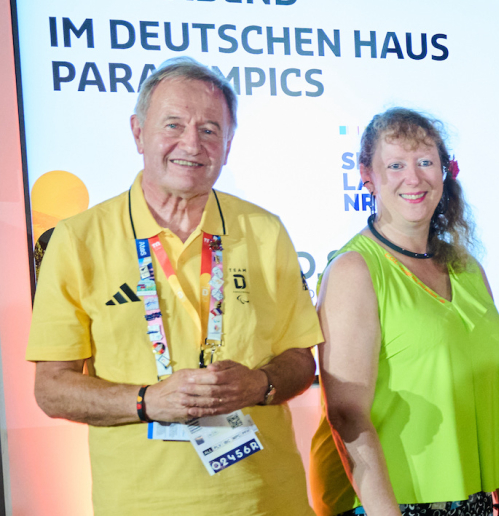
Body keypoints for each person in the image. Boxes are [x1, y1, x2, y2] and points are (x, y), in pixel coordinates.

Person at [27, 56, 320, 514]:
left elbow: (301, 360)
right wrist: (148, 401)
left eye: (209, 129)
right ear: (137, 131)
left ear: (228, 143)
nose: (192, 143)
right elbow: (52, 388)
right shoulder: (78, 239)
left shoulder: (265, 230)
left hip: (267, 501)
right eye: (173, 124)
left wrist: (260, 384)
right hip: (140, 503)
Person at [308, 108, 499, 516]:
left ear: (444, 172)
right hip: (387, 504)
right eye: (395, 165)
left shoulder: (467, 267)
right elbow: (345, 412)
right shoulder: (354, 270)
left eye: (426, 162)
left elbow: (491, 389)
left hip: (472, 497)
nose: (414, 177)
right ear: (367, 177)